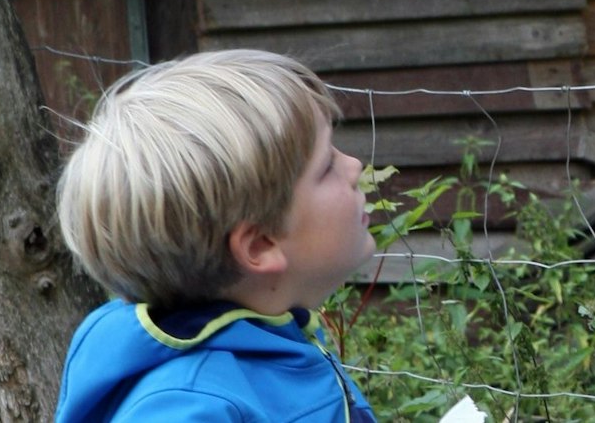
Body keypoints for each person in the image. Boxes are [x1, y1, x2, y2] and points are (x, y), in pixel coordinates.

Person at [54, 50, 378, 422]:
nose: (353, 167)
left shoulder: (268, 336)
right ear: (260, 245)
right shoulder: (189, 406)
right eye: (326, 168)